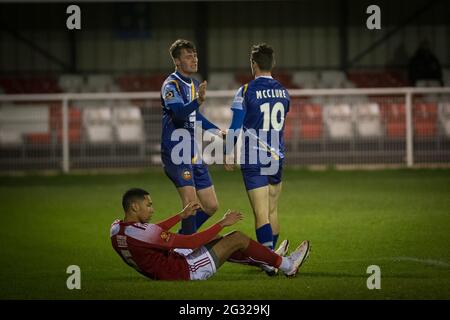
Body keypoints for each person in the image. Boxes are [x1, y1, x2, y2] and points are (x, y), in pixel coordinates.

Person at [110, 188, 310, 280]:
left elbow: (151, 232)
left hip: (165, 267)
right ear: (135, 207)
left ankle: (267, 262)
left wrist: (180, 216)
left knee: (219, 242)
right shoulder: (144, 233)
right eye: (148, 205)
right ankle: (288, 266)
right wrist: (221, 223)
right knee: (237, 238)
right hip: (185, 271)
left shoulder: (117, 229)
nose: (152, 210)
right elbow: (190, 242)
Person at [223, 43, 291, 275]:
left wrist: (228, 153)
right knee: (273, 210)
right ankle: (273, 257)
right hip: (277, 156)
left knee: (261, 214)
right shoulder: (283, 91)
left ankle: (269, 263)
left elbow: (235, 127)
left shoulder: (245, 91)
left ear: (253, 65)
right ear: (273, 64)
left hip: (254, 157)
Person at [160, 39, 222, 235]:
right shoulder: (171, 85)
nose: (194, 59)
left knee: (211, 206)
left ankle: (183, 238)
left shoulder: (194, 84)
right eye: (188, 56)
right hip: (176, 151)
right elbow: (179, 114)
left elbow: (194, 117)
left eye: (194, 55)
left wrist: (218, 131)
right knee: (192, 204)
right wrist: (198, 101)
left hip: (192, 150)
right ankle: (186, 251)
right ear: (177, 62)